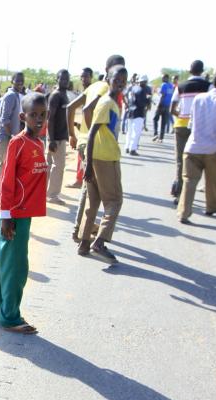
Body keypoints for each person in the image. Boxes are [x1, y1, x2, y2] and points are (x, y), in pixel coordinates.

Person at [0, 93, 48, 334]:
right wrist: (6, 215)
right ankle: (11, 317)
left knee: (6, 263)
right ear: (23, 116)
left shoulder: (39, 143)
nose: (38, 119)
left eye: (43, 115)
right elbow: (6, 180)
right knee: (16, 266)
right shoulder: (18, 142)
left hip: (24, 213)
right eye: (33, 115)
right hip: (14, 215)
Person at [67, 56, 125, 244]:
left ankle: (82, 236)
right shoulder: (105, 90)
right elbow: (86, 111)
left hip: (87, 143)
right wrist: (98, 132)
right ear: (108, 72)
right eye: (116, 74)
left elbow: (71, 108)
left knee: (90, 192)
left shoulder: (94, 87)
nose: (120, 82)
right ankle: (81, 232)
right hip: (96, 146)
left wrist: (73, 135)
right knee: (92, 193)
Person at [78, 65, 127, 263]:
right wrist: (88, 164)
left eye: (124, 81)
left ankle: (83, 243)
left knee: (94, 203)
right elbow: (92, 133)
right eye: (117, 80)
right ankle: (100, 241)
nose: (120, 84)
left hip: (98, 158)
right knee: (114, 202)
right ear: (108, 79)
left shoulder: (111, 102)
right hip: (105, 158)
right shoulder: (107, 102)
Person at [176, 70, 216, 223]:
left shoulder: (198, 98)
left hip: (193, 146)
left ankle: (183, 212)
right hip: (213, 148)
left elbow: (191, 123)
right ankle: (212, 206)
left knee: (189, 181)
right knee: (213, 180)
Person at [170, 60, 211, 203]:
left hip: (181, 126)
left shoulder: (180, 86)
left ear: (189, 70)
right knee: (199, 161)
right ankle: (200, 196)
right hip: (200, 128)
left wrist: (182, 116)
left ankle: (179, 194)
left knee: (180, 161)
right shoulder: (208, 86)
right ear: (202, 70)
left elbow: (172, 108)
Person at [66, 67, 94, 190]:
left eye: (86, 76)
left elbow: (71, 108)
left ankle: (80, 181)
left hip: (88, 132)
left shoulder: (91, 91)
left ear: (91, 77)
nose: (83, 79)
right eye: (82, 76)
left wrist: (72, 133)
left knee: (82, 157)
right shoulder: (87, 91)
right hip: (84, 129)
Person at [46, 69, 71, 204]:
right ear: (57, 79)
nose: (65, 81)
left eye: (67, 79)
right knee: (58, 166)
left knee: (50, 165)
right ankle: (52, 195)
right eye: (62, 79)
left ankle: (47, 193)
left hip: (60, 137)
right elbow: (50, 119)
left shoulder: (64, 94)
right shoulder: (56, 95)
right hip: (56, 138)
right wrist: (52, 139)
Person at [0, 72, 26, 172]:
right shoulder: (11, 96)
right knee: (4, 168)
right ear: (12, 81)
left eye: (22, 81)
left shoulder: (15, 95)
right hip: (5, 137)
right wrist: (12, 136)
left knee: (8, 168)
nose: (20, 83)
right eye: (17, 80)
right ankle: (1, 188)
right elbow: (4, 119)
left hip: (8, 136)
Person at [124, 74, 151, 156]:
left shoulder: (132, 88)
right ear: (145, 82)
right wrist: (148, 100)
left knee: (129, 131)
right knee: (136, 132)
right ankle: (133, 149)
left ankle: (127, 147)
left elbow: (126, 96)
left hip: (130, 112)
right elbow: (141, 103)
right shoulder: (142, 90)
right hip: (138, 113)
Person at [152, 73, 174, 142]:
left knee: (155, 119)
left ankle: (155, 134)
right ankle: (161, 138)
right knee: (163, 122)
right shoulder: (171, 86)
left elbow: (163, 95)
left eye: (163, 78)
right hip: (168, 106)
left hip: (162, 105)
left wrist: (158, 105)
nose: (162, 79)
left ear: (166, 78)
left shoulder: (164, 85)